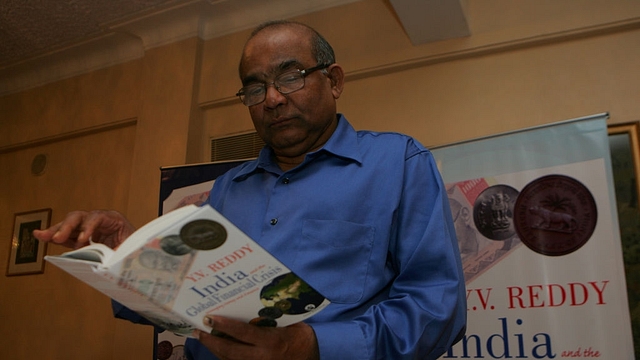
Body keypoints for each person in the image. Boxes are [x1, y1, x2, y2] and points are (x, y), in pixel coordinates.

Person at [34, 20, 466, 360]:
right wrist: (133, 259)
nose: (272, 99)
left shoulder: (399, 163)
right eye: (255, 87)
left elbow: (437, 311)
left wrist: (312, 347)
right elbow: (189, 309)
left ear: (333, 81)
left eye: (290, 76)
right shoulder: (227, 189)